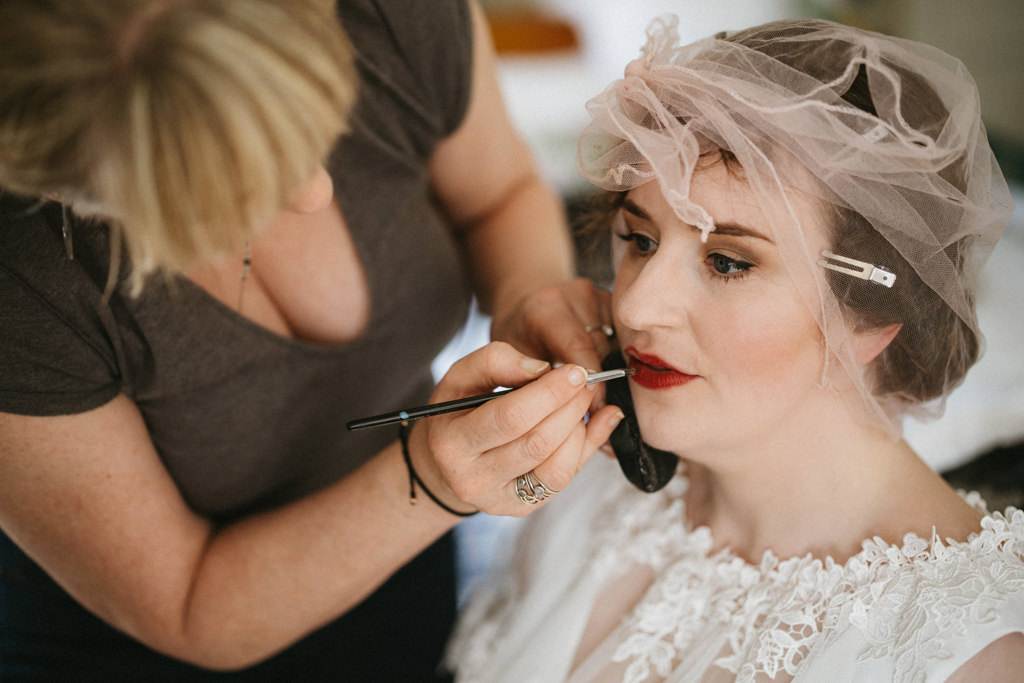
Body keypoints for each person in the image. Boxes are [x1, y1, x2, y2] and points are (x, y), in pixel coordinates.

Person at [0, 0, 624, 680]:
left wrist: (526, 297)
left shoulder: (396, 17)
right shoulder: (23, 277)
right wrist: (433, 482)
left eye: (319, 133)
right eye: (241, 190)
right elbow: (190, 606)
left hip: (408, 585)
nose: (315, 194)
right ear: (97, 197)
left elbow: (500, 192)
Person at [447, 16, 1024, 682]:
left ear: (874, 316)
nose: (633, 306)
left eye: (726, 262)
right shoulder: (589, 497)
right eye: (639, 240)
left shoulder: (975, 650)